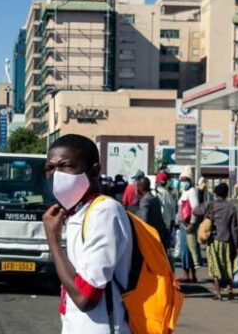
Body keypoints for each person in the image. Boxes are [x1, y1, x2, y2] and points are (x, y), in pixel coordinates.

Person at [42, 134, 133, 334]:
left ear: (94, 171)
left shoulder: (104, 212)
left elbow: (86, 297)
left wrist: (53, 240)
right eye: (50, 168)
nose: (56, 175)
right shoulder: (77, 214)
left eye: (66, 165)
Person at [199, 183, 238, 301]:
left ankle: (218, 293)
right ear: (226, 194)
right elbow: (234, 228)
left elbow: (196, 211)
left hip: (213, 241)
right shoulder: (231, 208)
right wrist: (237, 245)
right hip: (227, 242)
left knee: (215, 267)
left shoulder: (210, 205)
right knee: (227, 266)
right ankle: (229, 290)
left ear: (215, 194)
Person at [177, 168, 201, 283]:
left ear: (190, 180)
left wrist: (192, 223)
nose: (183, 182)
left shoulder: (191, 191)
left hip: (188, 226)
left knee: (188, 250)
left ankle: (189, 275)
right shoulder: (184, 192)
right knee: (187, 250)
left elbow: (195, 208)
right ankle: (189, 275)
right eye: (181, 180)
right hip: (183, 225)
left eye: (185, 180)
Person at [134, 176, 169, 249]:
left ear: (141, 187)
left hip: (150, 235)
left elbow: (144, 221)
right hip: (158, 232)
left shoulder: (145, 201)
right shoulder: (154, 198)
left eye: (138, 186)